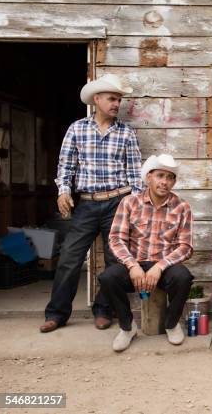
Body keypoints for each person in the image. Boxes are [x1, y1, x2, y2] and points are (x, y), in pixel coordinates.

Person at [40, 74, 142, 333]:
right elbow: (66, 165)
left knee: (114, 261)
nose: (116, 104)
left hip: (117, 202)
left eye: (119, 99)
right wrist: (63, 191)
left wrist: (134, 203)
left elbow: (135, 172)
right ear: (97, 100)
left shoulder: (126, 133)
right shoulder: (77, 128)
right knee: (69, 259)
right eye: (111, 99)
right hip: (85, 203)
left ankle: (104, 310)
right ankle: (57, 313)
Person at [99, 154, 193, 352]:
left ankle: (171, 323)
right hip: (136, 263)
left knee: (183, 277)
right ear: (149, 177)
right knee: (108, 277)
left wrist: (159, 267)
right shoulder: (129, 202)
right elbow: (116, 239)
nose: (164, 182)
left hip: (164, 266)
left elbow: (185, 246)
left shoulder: (182, 207)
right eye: (160, 176)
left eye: (170, 177)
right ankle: (127, 327)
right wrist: (132, 265)